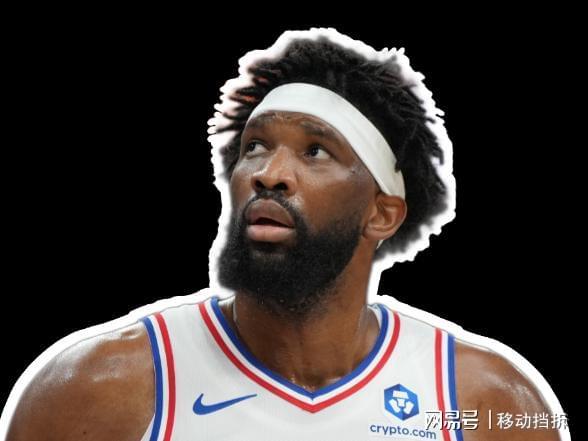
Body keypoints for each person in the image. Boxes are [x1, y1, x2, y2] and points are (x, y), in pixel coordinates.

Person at [3, 28, 566, 441]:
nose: (268, 173)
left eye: (315, 150)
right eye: (255, 146)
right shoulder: (94, 390)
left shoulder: (487, 403)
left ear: (382, 215)